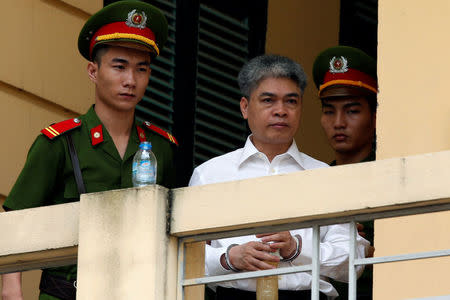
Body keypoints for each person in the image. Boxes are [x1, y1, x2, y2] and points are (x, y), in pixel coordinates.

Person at [1, 1, 178, 299]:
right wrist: (10, 290)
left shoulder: (160, 147)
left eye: (141, 69)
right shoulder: (59, 143)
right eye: (119, 67)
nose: (130, 81)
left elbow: (172, 227)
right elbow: (13, 220)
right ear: (93, 71)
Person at [189, 54, 369, 299]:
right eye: (268, 101)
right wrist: (229, 258)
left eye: (291, 102)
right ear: (245, 107)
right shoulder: (210, 174)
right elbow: (185, 255)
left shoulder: (325, 177)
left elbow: (354, 261)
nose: (281, 111)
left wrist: (297, 249)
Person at [312, 45, 377, 299]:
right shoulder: (314, 182)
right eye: (329, 111)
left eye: (352, 111)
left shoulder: (392, 178)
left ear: (375, 116)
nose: (338, 122)